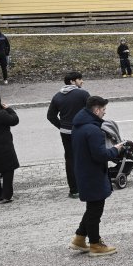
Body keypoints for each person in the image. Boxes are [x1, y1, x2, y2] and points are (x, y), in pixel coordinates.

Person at [69, 96, 124, 256]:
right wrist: (116, 149)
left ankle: (79, 238)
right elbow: (100, 155)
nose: (105, 113)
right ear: (97, 110)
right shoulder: (93, 130)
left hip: (83, 171)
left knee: (91, 208)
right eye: (104, 110)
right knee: (95, 211)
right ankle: (95, 244)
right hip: (93, 174)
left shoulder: (79, 126)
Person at [46, 71, 90, 199]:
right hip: (81, 132)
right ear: (72, 81)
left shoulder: (57, 96)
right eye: (80, 79)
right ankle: (86, 185)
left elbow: (50, 116)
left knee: (70, 160)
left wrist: (62, 126)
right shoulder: (83, 94)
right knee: (85, 157)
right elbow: (93, 111)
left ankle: (74, 190)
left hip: (65, 133)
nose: (82, 81)